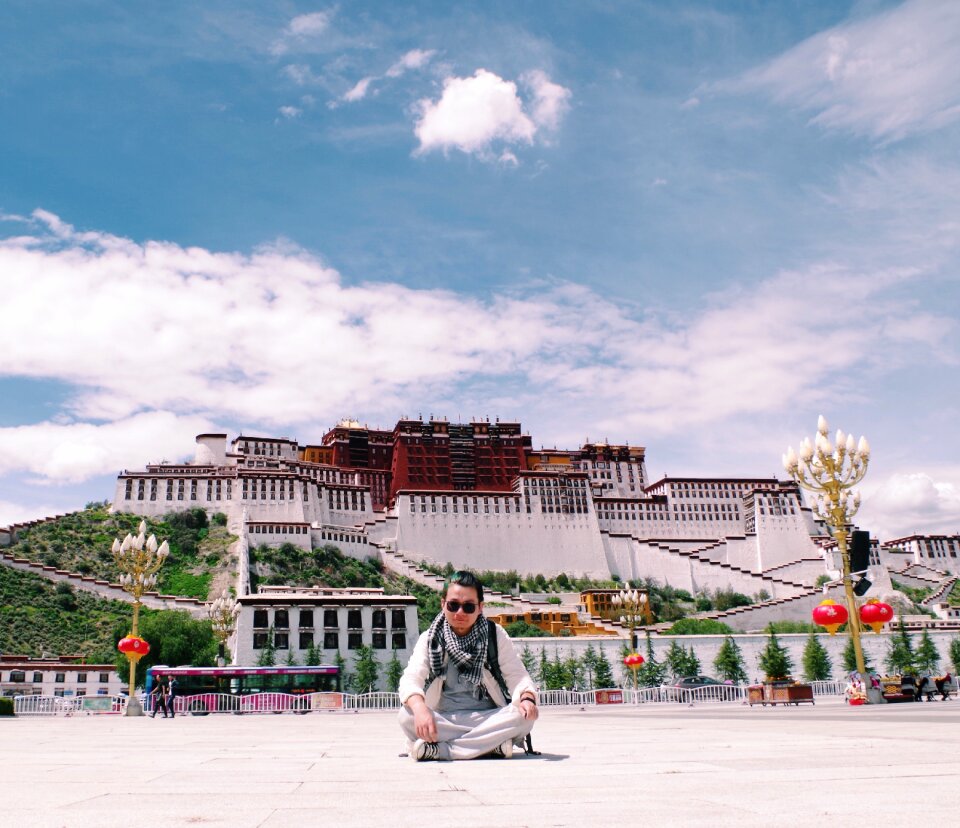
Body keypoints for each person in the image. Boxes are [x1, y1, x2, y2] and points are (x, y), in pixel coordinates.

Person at [398, 570, 539, 761]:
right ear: (443, 604)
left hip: (488, 717)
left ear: (480, 607)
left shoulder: (494, 635)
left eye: (468, 607)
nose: (460, 613)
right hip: (445, 718)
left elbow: (517, 676)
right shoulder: (430, 638)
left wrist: (527, 698)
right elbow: (411, 678)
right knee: (407, 716)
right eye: (453, 605)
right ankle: (490, 746)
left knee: (524, 718)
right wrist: (421, 709)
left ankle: (442, 751)